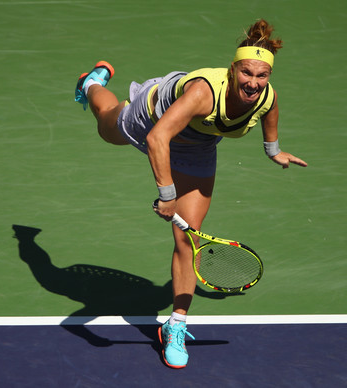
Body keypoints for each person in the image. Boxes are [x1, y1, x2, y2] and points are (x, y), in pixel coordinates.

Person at [74, 19, 307, 368]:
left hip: (197, 146)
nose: (254, 83)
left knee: (187, 237)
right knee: (108, 123)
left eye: (262, 76)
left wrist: (272, 150)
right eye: (247, 73)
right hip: (152, 119)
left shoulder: (265, 97)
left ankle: (176, 324)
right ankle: (91, 84)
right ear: (233, 69)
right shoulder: (202, 93)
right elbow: (158, 139)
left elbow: (270, 111)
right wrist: (167, 195)